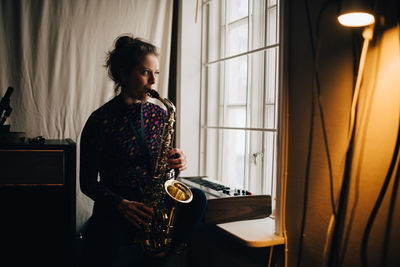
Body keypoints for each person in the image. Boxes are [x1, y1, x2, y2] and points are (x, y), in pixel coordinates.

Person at [79, 35, 207, 267]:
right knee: (99, 242)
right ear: (124, 74)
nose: (153, 81)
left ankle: (162, 254)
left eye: (156, 73)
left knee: (198, 199)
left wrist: (176, 163)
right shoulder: (100, 120)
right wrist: (122, 205)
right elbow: (87, 183)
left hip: (153, 202)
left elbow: (165, 173)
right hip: (119, 206)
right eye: (145, 72)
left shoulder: (159, 115)